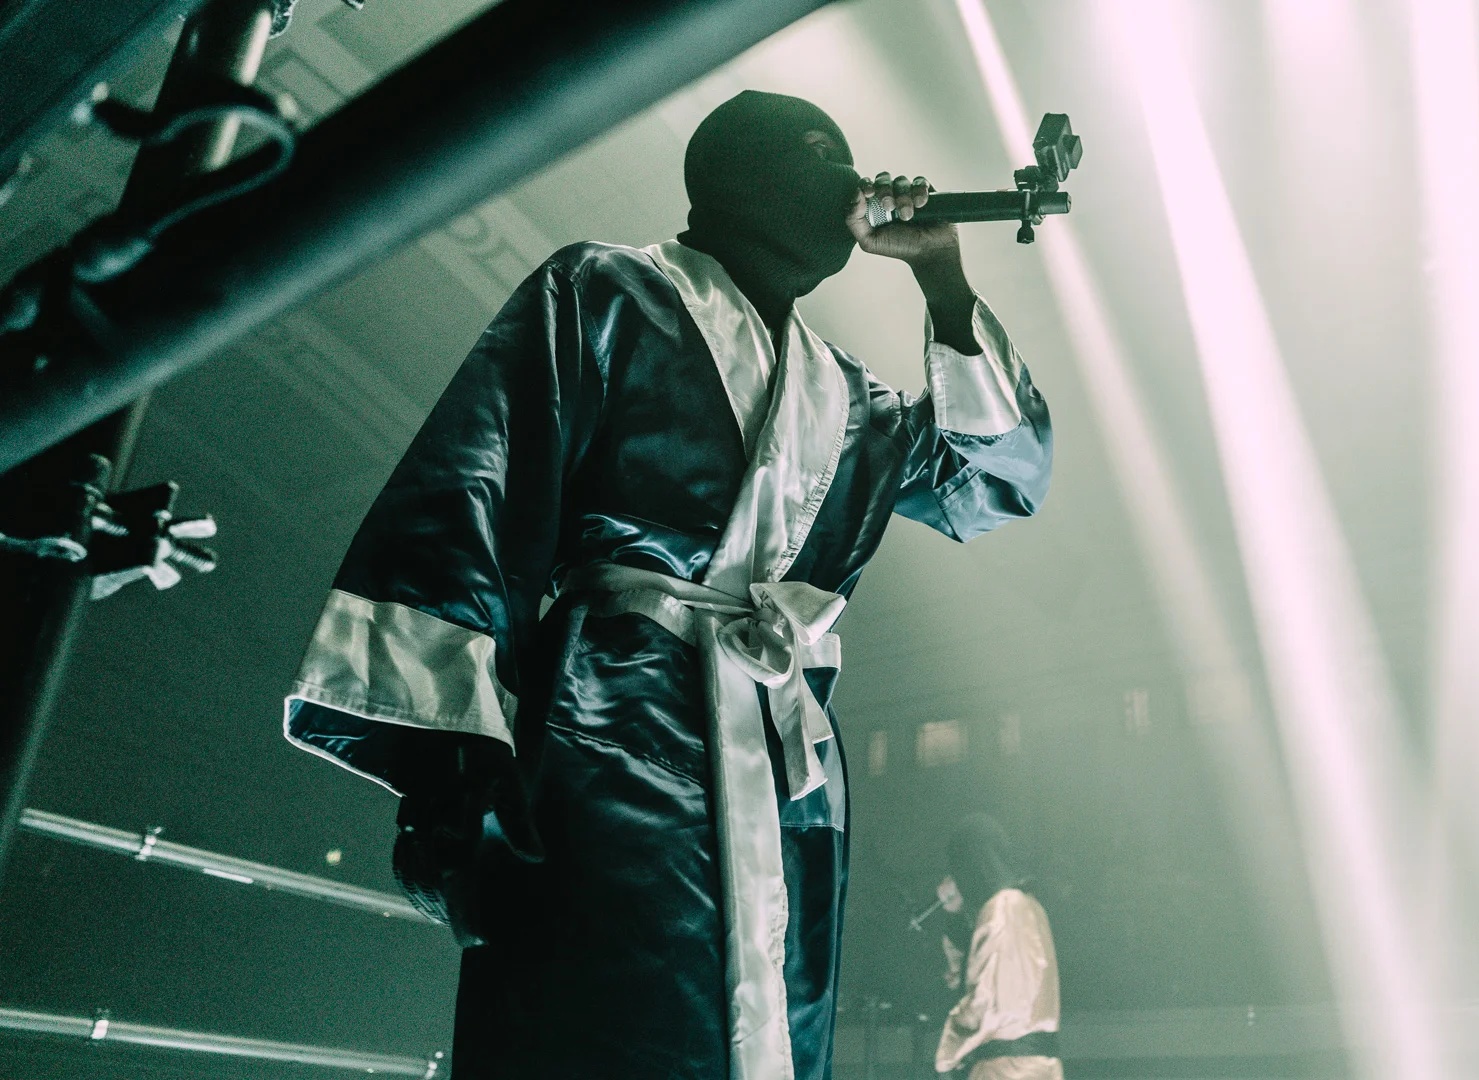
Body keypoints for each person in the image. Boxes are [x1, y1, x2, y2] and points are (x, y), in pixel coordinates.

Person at [282, 90, 1052, 1080]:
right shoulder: (602, 291)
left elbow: (995, 482)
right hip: (610, 729)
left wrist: (943, 282)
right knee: (598, 1025)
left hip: (786, 771)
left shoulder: (851, 400)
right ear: (739, 175)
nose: (849, 179)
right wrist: (447, 790)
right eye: (816, 152)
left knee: (768, 1031)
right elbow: (474, 488)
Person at [935, 815, 1063, 1079]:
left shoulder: (1001, 908)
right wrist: (955, 916)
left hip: (1006, 1069)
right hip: (1038, 1067)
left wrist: (948, 1051)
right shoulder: (1028, 905)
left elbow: (982, 996)